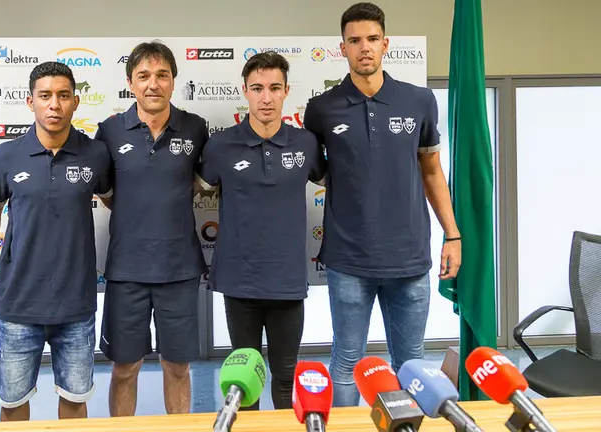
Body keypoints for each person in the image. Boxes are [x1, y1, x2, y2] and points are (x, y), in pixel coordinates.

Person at [303, 2, 462, 407]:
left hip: (409, 260)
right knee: (346, 362)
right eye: (354, 41)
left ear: (385, 43)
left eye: (372, 39)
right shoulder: (321, 109)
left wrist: (452, 233)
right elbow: (314, 172)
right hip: (348, 260)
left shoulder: (419, 101)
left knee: (410, 362)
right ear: (342, 48)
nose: (364, 48)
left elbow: (431, 171)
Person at [0, 61, 113, 421]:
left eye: (63, 96)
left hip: (76, 305)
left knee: (75, 401)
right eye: (45, 96)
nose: (54, 104)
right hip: (19, 304)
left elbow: (116, 201)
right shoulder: (6, 156)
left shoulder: (95, 154)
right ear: (30, 102)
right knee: (13, 405)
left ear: (76, 102)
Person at [197, 52, 326, 410]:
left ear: (286, 91)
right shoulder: (220, 145)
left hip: (287, 281)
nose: (265, 98)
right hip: (239, 281)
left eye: (273, 88)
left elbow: (335, 182)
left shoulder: (306, 144)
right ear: (245, 92)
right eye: (257, 88)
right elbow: (196, 190)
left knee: (286, 379)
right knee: (244, 384)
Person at [95, 40, 209, 416]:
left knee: (177, 366)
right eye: (143, 76)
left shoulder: (195, 128)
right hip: (127, 271)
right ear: (131, 83)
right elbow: (108, 194)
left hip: (179, 270)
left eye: (162, 75)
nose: (153, 84)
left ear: (174, 81)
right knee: (125, 368)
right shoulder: (109, 132)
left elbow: (200, 183)